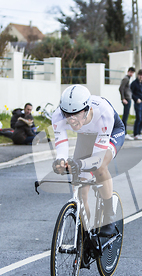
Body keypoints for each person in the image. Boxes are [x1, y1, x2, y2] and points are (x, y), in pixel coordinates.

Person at [52, 85, 125, 237]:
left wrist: (80, 164)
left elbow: (97, 160)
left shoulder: (103, 113)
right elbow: (62, 146)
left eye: (76, 114)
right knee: (80, 191)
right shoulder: (58, 115)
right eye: (67, 114)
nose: (71, 120)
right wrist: (61, 161)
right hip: (86, 136)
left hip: (111, 132)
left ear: (87, 109)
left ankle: (109, 216)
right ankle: (84, 235)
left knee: (99, 169)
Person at [130, 68, 142, 140]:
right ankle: (136, 133)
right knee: (138, 118)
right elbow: (131, 93)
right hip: (137, 103)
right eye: (140, 75)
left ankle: (139, 132)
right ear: (138, 75)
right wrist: (136, 99)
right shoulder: (134, 83)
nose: (141, 77)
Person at [119, 67, 135, 140]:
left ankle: (124, 132)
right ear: (128, 71)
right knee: (125, 117)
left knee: (126, 116)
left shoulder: (128, 79)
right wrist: (123, 98)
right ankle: (124, 132)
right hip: (126, 99)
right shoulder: (126, 79)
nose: (131, 74)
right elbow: (121, 88)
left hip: (128, 98)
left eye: (132, 72)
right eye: (131, 72)